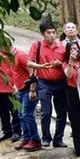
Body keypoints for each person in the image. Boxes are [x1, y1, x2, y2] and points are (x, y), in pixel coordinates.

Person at [27, 18, 68, 148]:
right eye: (48, 33)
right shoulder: (37, 45)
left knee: (62, 112)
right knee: (46, 111)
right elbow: (29, 63)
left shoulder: (62, 46)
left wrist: (59, 64)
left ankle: (58, 139)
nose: (52, 35)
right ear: (42, 34)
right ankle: (46, 137)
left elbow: (68, 64)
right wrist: (40, 67)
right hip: (44, 82)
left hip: (61, 83)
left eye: (53, 33)